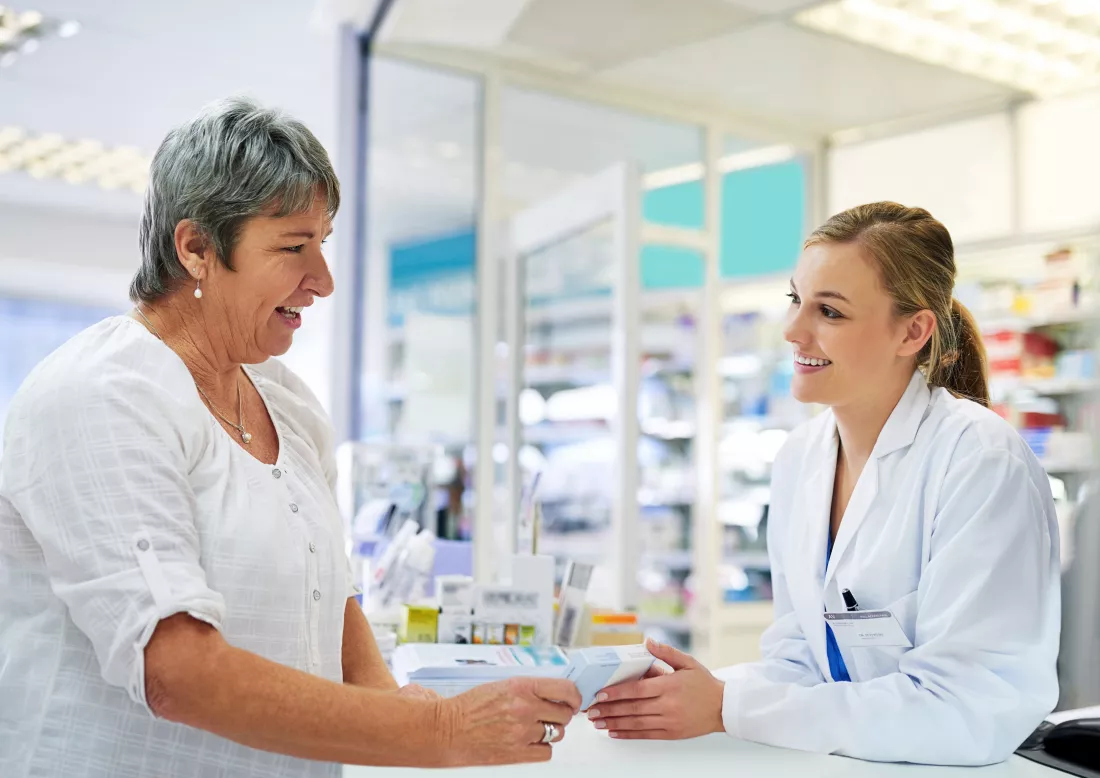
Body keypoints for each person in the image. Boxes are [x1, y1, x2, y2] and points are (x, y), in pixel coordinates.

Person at [0, 97, 579, 778]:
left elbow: (331, 596)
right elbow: (176, 671)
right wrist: (435, 729)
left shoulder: (285, 400)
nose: (323, 281)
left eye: (323, 244)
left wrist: (396, 714)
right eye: (293, 248)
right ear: (196, 249)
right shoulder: (102, 395)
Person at [588, 202, 1061, 766]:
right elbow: (801, 662)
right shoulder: (800, 458)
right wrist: (684, 690)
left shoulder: (980, 461)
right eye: (796, 299)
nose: (792, 331)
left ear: (912, 331)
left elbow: (963, 708)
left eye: (829, 312)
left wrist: (727, 706)